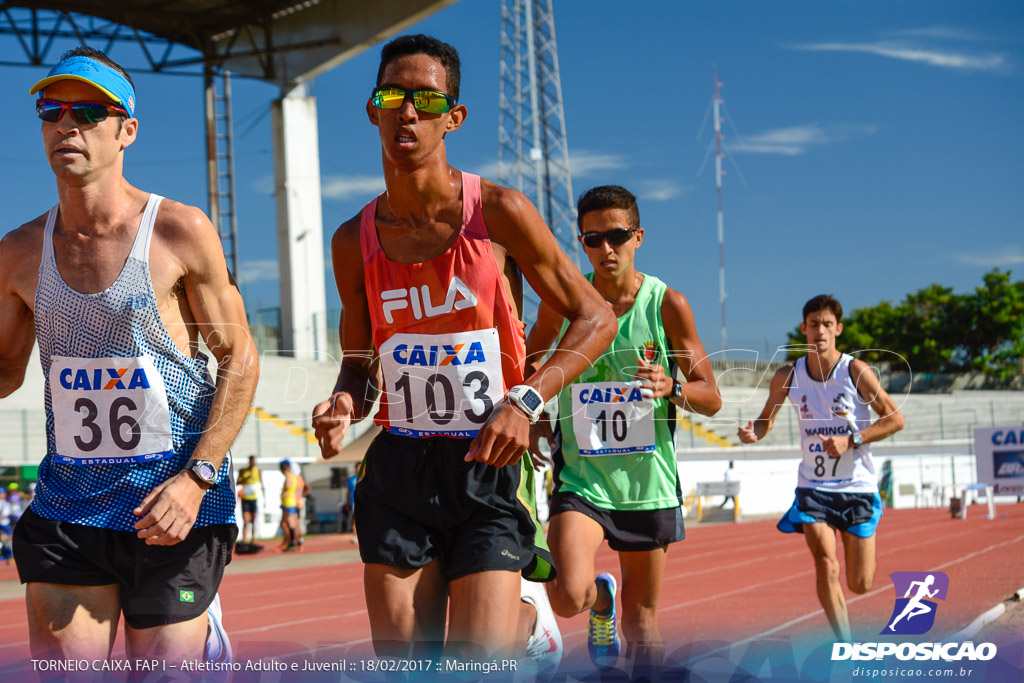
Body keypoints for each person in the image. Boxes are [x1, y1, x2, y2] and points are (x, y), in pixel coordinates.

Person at [310, 34, 617, 664]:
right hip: (399, 465)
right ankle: (521, 613)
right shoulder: (352, 241)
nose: (408, 111)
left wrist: (526, 399)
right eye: (392, 95)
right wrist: (345, 401)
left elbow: (596, 317)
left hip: (490, 458)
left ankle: (529, 618)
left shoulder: (498, 212)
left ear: (455, 117)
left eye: (426, 98)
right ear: (373, 109)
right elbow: (360, 362)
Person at [0, 47, 259, 664]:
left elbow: (240, 359)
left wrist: (197, 479)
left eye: (89, 111)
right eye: (52, 110)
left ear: (127, 131)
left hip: (174, 504)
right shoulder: (17, 252)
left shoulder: (178, 230)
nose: (67, 125)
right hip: (71, 503)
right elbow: (5, 373)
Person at [526, 185, 722, 677]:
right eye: (593, 239)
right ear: (582, 243)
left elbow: (711, 397)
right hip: (583, 480)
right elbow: (529, 359)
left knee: (642, 623)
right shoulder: (566, 303)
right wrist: (537, 417)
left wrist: (672, 385)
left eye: (616, 236)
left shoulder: (667, 304)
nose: (606, 249)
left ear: (638, 236)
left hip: (647, 485)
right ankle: (598, 603)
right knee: (567, 594)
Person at [738, 294, 904, 641]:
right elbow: (766, 419)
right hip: (813, 488)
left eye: (827, 325)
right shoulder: (788, 374)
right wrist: (755, 430)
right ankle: (845, 645)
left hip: (856, 486)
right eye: (814, 324)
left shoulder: (855, 371)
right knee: (826, 564)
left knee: (860, 583)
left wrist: (852, 440)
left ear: (838, 330)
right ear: (804, 328)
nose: (820, 331)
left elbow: (895, 419)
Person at [236, 455, 265, 546]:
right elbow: (238, 482)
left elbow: (262, 484)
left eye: (255, 461)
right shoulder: (243, 471)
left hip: (254, 498)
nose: (254, 463)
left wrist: (264, 499)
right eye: (252, 461)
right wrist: (246, 478)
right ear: (249, 461)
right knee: (246, 519)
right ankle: (245, 539)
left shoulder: (258, 471)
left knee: (253, 519)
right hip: (245, 498)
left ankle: (253, 539)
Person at [278, 460, 301, 551]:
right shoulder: (295, 477)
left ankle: (289, 543)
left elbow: (288, 485)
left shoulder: (288, 477)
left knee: (285, 523)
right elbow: (298, 488)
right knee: (294, 524)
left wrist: (286, 491)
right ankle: (296, 542)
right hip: (293, 502)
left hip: (288, 502)